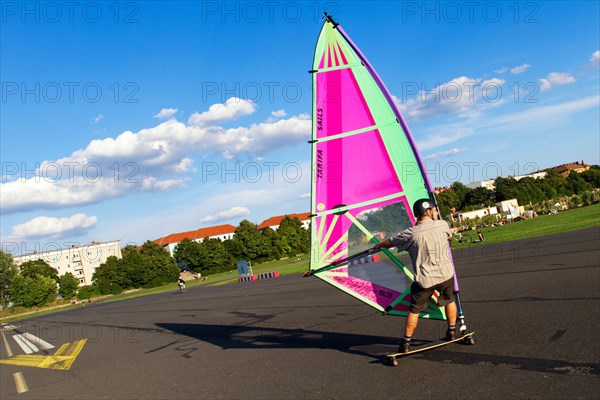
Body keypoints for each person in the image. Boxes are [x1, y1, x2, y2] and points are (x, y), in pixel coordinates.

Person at [374, 198, 457, 353]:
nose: (436, 212)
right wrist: (437, 221)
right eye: (434, 210)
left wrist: (378, 245)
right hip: (446, 274)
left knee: (414, 310)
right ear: (428, 211)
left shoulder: (410, 233)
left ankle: (406, 342)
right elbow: (449, 238)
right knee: (449, 299)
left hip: (425, 280)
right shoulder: (443, 224)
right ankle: (452, 331)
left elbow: (390, 242)